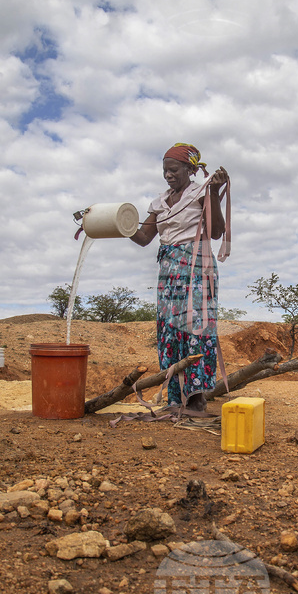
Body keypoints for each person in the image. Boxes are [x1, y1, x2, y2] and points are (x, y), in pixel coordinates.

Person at [130, 143, 231, 406]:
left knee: (196, 329)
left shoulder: (200, 192)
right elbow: (143, 238)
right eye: (165, 170)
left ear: (190, 169)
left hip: (197, 266)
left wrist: (213, 193)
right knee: (170, 331)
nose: (168, 175)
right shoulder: (159, 203)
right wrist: (120, 223)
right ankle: (175, 397)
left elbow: (216, 232)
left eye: (174, 169)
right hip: (168, 271)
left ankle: (196, 397)